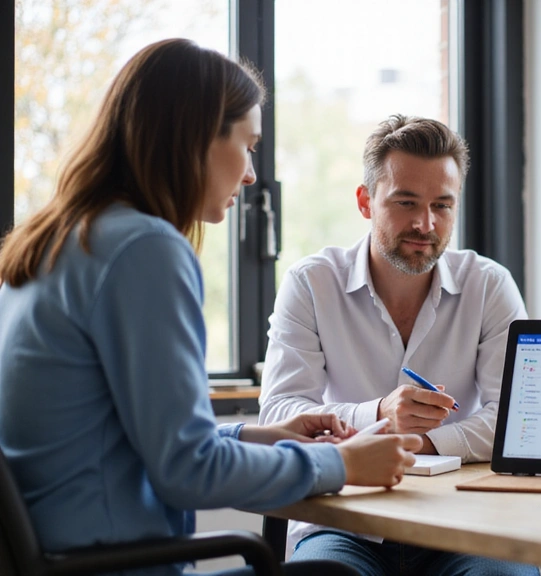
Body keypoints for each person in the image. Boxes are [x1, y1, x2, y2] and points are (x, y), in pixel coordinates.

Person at [0, 39, 422, 576]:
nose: (250, 174)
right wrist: (341, 462)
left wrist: (255, 435)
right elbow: (188, 471)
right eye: (248, 145)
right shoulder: (143, 250)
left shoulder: (61, 241)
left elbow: (135, 437)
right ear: (195, 139)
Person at [259, 114, 538, 575]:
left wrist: (417, 442)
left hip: (466, 523)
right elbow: (278, 413)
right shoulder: (311, 283)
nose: (425, 223)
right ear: (365, 201)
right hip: (344, 524)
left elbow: (517, 419)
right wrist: (376, 414)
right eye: (406, 202)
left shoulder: (489, 286)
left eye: (442, 205)